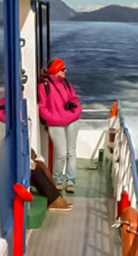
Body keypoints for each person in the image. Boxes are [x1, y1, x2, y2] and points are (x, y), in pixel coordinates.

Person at [38, 58, 81, 193]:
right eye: (62, 69)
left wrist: (77, 111)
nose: (65, 71)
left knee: (71, 152)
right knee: (61, 153)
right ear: (56, 71)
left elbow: (75, 100)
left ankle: (70, 181)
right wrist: (52, 118)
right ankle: (57, 179)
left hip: (72, 120)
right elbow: (42, 106)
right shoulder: (44, 86)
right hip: (55, 123)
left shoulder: (66, 84)